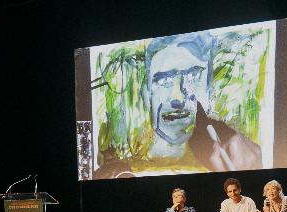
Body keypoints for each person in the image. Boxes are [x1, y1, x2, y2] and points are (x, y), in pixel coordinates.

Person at [93, 32, 262, 178]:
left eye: (192, 78)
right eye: (164, 80)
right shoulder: (123, 165)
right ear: (147, 92)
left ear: (207, 86)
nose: (178, 97)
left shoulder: (238, 153)